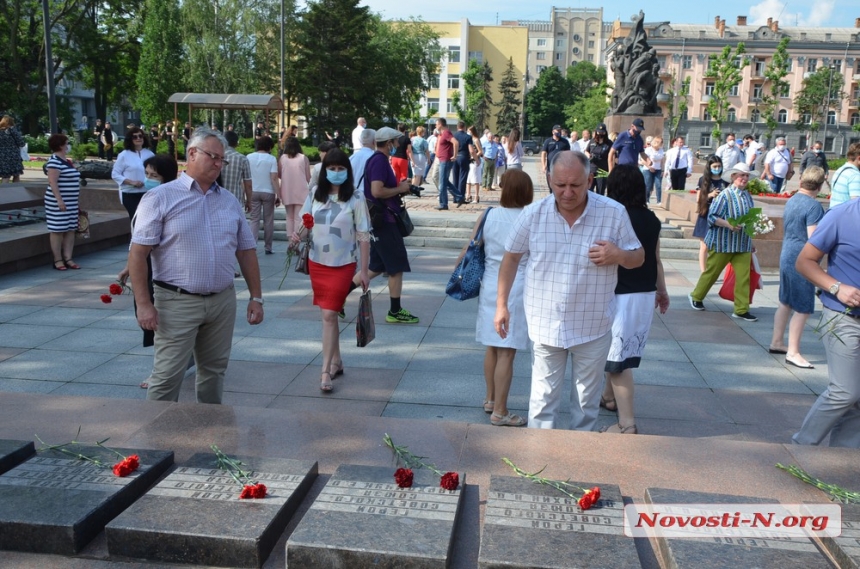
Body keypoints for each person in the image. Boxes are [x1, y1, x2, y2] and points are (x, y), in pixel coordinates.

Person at [494, 151, 644, 431]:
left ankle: (578, 461)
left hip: (593, 324)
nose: (567, 192)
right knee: (542, 401)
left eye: (575, 185)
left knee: (586, 404)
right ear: (549, 179)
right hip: (545, 322)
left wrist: (619, 255)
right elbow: (511, 257)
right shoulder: (533, 214)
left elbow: (639, 257)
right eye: (560, 185)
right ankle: (538, 460)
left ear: (589, 180)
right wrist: (501, 304)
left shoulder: (613, 213)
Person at [129, 128, 264, 404]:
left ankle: (209, 434)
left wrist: (256, 297)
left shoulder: (229, 201)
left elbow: (247, 251)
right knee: (167, 376)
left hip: (222, 301)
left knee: (214, 372)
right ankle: (156, 441)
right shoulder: (160, 198)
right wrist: (144, 303)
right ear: (192, 153)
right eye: (212, 157)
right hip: (176, 302)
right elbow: (138, 253)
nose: (218, 164)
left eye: (221, 160)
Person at [293, 148, 370, 392]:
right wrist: (298, 234)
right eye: (332, 168)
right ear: (324, 170)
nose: (336, 173)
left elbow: (364, 236)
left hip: (343, 264)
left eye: (340, 168)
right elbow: (306, 223)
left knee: (328, 315)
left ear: (347, 171)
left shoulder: (356, 197)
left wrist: (365, 271)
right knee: (329, 314)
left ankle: (325, 370)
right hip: (318, 262)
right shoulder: (316, 194)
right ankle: (336, 360)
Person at [600, 165, 669, 434]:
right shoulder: (652, 219)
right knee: (619, 351)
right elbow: (656, 259)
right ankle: (608, 398)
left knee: (619, 362)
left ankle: (627, 425)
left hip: (621, 294)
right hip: (644, 293)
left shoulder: (614, 217)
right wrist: (661, 291)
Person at [792, 194, 860, 447]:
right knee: (845, 391)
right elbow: (804, 261)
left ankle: (843, 458)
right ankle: (801, 446)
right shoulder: (842, 215)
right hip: (844, 316)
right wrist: (836, 287)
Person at [473, 169, 534, 426]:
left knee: (492, 346)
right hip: (516, 286)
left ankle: (489, 399)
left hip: (489, 283)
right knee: (507, 351)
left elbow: (473, 246)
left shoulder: (488, 214)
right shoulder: (529, 217)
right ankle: (501, 410)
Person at [118, 154, 180, 389]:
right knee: (153, 321)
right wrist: (129, 266)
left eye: (154, 176)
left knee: (160, 323)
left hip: (162, 272)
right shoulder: (148, 199)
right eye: (147, 175)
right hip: (146, 268)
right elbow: (139, 242)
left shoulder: (169, 200)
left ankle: (161, 373)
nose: (149, 179)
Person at [349, 126, 419, 324]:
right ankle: (395, 311)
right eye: (395, 142)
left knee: (375, 267)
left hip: (380, 220)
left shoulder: (375, 159)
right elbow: (377, 191)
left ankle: (338, 298)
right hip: (385, 221)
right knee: (396, 267)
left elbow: (379, 190)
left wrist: (402, 190)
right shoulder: (379, 161)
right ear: (388, 143)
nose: (398, 145)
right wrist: (400, 188)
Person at [770, 166, 826, 369]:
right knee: (803, 307)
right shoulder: (814, 206)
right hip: (802, 259)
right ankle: (793, 352)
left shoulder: (792, 200)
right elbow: (814, 239)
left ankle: (777, 342)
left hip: (787, 253)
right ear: (821, 184)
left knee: (785, 301)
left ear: (801, 181)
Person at [688, 162, 758, 321]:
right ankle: (696, 296)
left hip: (742, 243)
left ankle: (741, 309)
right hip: (723, 242)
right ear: (733, 177)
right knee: (712, 272)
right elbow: (712, 216)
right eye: (741, 175)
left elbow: (751, 219)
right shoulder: (725, 195)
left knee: (743, 277)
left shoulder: (747, 196)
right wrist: (728, 224)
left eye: (747, 175)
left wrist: (751, 239)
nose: (744, 178)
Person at [44, 133, 82, 271]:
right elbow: (52, 182)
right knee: (58, 230)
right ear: (60, 145)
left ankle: (68, 258)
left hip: (71, 202)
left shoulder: (66, 160)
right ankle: (58, 259)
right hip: (58, 202)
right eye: (66, 143)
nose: (68, 145)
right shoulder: (54, 161)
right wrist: (59, 200)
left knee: (71, 229)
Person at [111, 127, 156, 219]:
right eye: (135, 137)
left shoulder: (150, 154)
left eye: (140, 136)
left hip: (147, 192)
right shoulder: (124, 155)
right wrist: (131, 182)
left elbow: (157, 172)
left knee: (147, 219)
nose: (138, 138)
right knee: (136, 219)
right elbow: (115, 174)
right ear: (130, 140)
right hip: (129, 193)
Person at [692, 155, 727, 273]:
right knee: (705, 245)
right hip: (706, 213)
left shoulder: (725, 181)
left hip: (721, 215)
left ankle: (714, 270)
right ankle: (704, 271)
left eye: (719, 166)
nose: (717, 168)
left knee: (718, 246)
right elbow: (698, 198)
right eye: (714, 166)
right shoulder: (704, 180)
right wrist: (710, 195)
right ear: (709, 167)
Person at [247, 136, 280, 255]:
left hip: (253, 191)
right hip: (268, 191)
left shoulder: (249, 157)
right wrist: (278, 195)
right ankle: (268, 247)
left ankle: (252, 246)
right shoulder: (271, 159)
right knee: (268, 220)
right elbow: (274, 178)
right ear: (269, 147)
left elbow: (246, 177)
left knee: (254, 219)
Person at [278, 136, 311, 239]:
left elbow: (279, 174)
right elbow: (308, 176)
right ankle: (296, 240)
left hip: (287, 190)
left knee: (289, 217)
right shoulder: (303, 158)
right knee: (298, 217)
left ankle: (290, 240)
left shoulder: (282, 158)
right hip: (301, 190)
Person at [220, 130, 252, 210]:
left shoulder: (216, 157)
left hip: (218, 199)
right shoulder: (242, 159)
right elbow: (248, 184)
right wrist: (249, 201)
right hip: (236, 200)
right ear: (236, 143)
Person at [435, 118, 462, 209]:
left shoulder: (446, 133)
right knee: (445, 182)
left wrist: (455, 155)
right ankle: (459, 196)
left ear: (440, 124)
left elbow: (456, 142)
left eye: (436, 124)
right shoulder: (443, 134)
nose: (435, 126)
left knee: (442, 183)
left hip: (445, 161)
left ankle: (443, 204)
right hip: (443, 160)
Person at [828, 142, 860, 208]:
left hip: (835, 212)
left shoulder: (840, 170)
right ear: (859, 159)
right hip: (845, 216)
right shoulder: (855, 176)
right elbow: (856, 205)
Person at [585, 123, 611, 195]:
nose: (600, 133)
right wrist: (589, 156)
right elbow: (586, 151)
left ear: (605, 132)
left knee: (600, 192)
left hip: (602, 171)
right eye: (599, 132)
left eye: (602, 132)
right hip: (592, 169)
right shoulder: (592, 141)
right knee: (589, 191)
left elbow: (612, 156)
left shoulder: (609, 143)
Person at [0, 116, 26, 183]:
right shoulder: (11, 130)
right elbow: (21, 143)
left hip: (2, 157)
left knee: (5, 176)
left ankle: (3, 192)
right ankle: (15, 192)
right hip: (13, 156)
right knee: (16, 175)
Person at [452, 121, 473, 205]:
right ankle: (460, 197)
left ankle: (455, 197)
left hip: (455, 157)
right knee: (462, 178)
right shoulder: (468, 137)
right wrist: (475, 158)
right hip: (464, 157)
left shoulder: (454, 136)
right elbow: (471, 150)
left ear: (457, 127)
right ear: (464, 127)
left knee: (455, 178)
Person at [642, 136, 664, 205]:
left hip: (658, 169)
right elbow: (643, 160)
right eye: (655, 141)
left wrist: (663, 170)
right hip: (648, 170)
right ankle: (646, 200)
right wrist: (649, 167)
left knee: (658, 185)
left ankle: (659, 201)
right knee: (648, 185)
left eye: (658, 142)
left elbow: (662, 161)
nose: (655, 143)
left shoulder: (661, 150)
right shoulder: (648, 150)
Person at [466, 125, 484, 203]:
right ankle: (468, 195)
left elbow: (480, 151)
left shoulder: (476, 140)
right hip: (468, 161)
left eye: (469, 131)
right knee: (468, 179)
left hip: (474, 161)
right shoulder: (468, 139)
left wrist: (474, 157)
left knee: (476, 179)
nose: (468, 132)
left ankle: (476, 196)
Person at [481, 129, 499, 195]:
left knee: (491, 174)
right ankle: (484, 186)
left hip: (493, 160)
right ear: (487, 137)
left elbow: (497, 151)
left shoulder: (495, 144)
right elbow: (481, 150)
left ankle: (489, 186)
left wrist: (496, 157)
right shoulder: (485, 143)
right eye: (489, 137)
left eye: (491, 137)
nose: (490, 138)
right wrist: (483, 156)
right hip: (487, 159)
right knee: (485, 173)